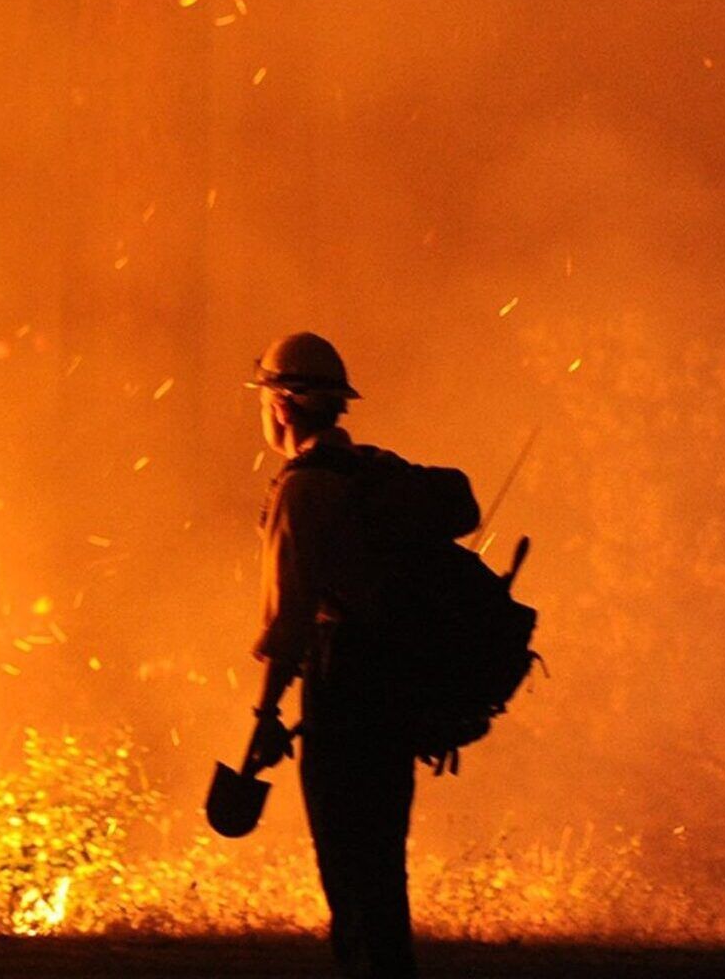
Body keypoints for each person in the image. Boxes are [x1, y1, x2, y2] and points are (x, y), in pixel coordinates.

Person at [245, 332, 474, 979]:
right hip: (395, 690)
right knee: (382, 866)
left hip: (340, 685)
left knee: (347, 870)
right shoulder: (379, 472)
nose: (264, 411)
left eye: (266, 398)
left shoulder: (303, 491)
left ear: (285, 405)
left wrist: (264, 719)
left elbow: (288, 620)